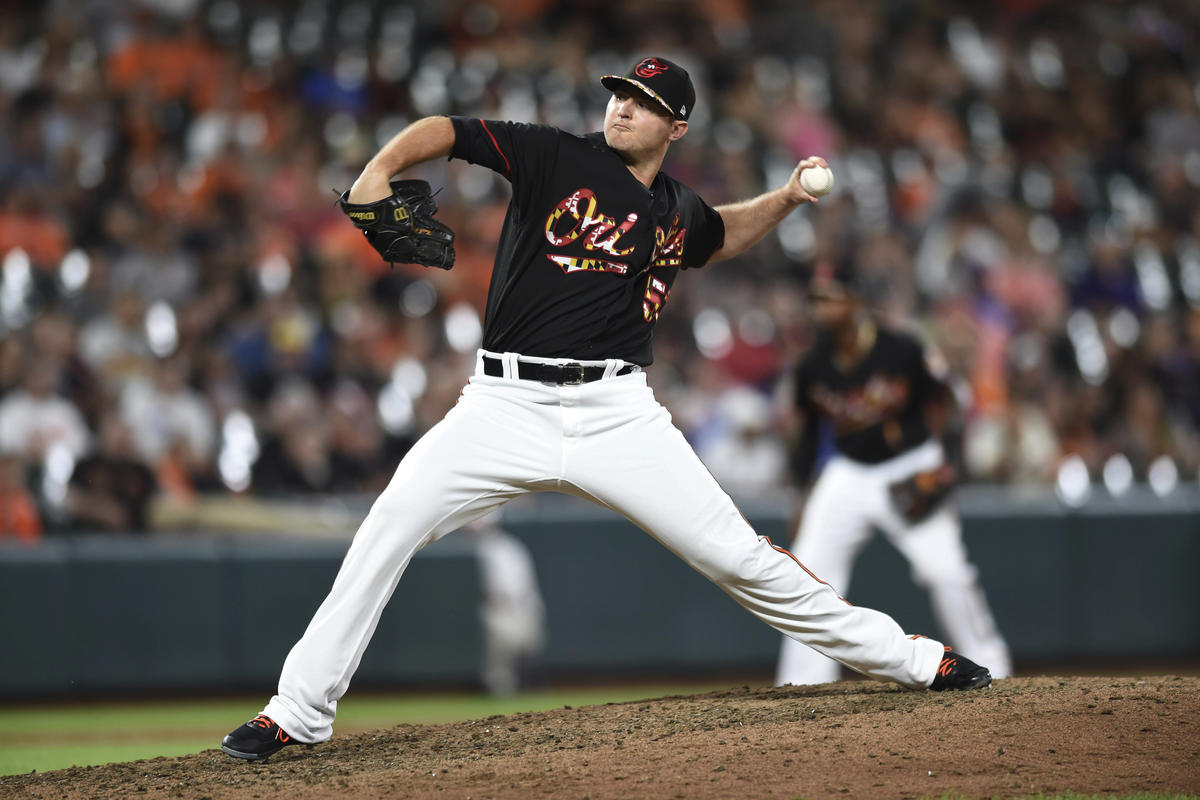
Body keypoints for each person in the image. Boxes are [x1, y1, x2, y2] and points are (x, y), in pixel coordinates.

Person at [222, 56, 994, 762]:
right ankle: (297, 710)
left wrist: (789, 197)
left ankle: (915, 659)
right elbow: (447, 132)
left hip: (618, 413)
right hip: (502, 403)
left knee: (741, 559)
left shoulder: (675, 208)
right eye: (621, 93)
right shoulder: (555, 155)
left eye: (645, 101)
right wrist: (379, 170)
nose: (623, 108)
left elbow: (718, 236)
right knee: (387, 528)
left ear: (676, 126)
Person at [775, 261, 1012, 687]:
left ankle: (996, 667)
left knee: (945, 572)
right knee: (806, 573)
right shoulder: (811, 366)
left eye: (830, 298)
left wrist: (947, 464)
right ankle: (803, 682)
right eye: (815, 299)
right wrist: (803, 494)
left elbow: (948, 403)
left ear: (856, 301)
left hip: (910, 464)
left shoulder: (901, 349)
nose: (819, 308)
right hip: (846, 473)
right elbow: (811, 433)